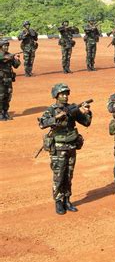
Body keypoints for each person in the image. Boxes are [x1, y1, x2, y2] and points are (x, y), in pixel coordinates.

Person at [38, 83, 92, 215]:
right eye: (62, 94)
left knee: (68, 175)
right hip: (58, 148)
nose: (65, 96)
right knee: (59, 175)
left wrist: (87, 112)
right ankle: (58, 201)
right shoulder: (51, 109)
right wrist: (55, 117)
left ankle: (67, 200)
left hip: (71, 146)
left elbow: (86, 122)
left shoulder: (72, 108)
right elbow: (42, 123)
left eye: (66, 94)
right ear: (56, 95)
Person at [0, 39, 21, 120]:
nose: (6, 47)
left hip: (8, 80)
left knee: (8, 96)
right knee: (0, 97)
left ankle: (5, 112)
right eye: (4, 46)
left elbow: (16, 65)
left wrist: (17, 59)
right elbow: (2, 58)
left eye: (7, 46)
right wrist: (9, 57)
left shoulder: (10, 55)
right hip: (0, 80)